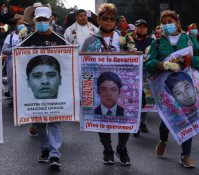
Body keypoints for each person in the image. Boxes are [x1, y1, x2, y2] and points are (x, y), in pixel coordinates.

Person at [145, 10, 199, 168]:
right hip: (167, 88)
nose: (168, 24)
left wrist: (190, 60)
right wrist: (161, 65)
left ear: (177, 21)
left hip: (187, 86)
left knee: (187, 118)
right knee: (168, 118)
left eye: (170, 21)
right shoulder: (158, 42)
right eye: (164, 22)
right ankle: (163, 139)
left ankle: (186, 155)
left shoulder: (188, 39)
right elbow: (148, 64)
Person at [81, 3, 133, 166]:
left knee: (127, 116)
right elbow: (82, 63)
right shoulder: (90, 41)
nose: (109, 22)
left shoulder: (124, 38)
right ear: (99, 20)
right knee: (101, 116)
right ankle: (108, 149)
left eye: (112, 19)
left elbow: (134, 59)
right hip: (100, 86)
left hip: (121, 85)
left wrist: (134, 54)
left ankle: (122, 148)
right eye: (105, 18)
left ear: (116, 21)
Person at [20, 6, 66, 168]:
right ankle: (44, 148)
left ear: (50, 20)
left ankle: (55, 154)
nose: (41, 23)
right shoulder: (28, 40)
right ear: (35, 21)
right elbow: (20, 61)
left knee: (54, 121)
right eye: (39, 20)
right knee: (39, 121)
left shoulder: (60, 39)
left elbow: (69, 61)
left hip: (55, 89)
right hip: (36, 90)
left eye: (44, 20)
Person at [133, 19, 154, 136]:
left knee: (146, 99)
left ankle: (143, 122)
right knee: (135, 99)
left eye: (143, 27)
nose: (141, 29)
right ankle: (135, 124)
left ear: (147, 29)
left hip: (147, 74)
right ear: (136, 29)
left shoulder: (152, 41)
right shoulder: (130, 41)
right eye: (139, 27)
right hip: (134, 74)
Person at [2, 17, 25, 108]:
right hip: (12, 61)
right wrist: (16, 49)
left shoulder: (26, 35)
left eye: (23, 23)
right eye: (20, 23)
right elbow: (4, 50)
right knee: (11, 81)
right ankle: (12, 98)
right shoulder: (10, 36)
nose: (22, 25)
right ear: (15, 26)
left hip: (23, 61)